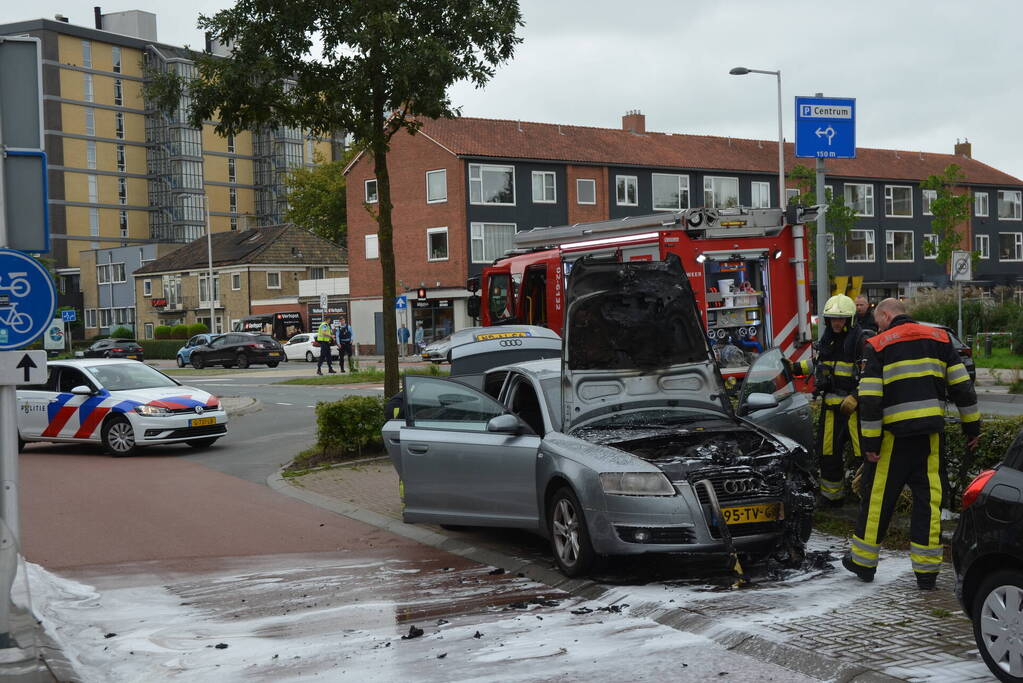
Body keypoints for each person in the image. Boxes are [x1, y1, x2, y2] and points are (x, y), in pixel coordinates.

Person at [843, 298, 980, 589]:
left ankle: (863, 563)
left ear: (885, 314)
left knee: (878, 498)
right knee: (929, 502)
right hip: (930, 436)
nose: (877, 325)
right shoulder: (940, 339)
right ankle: (927, 573)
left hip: (894, 438)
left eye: (878, 319)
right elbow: (962, 387)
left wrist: (870, 442)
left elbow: (870, 400)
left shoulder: (878, 345)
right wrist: (972, 428)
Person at [806, 294, 873, 506]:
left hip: (855, 411)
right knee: (828, 454)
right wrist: (791, 367)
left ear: (850, 319)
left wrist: (856, 396)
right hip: (831, 411)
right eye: (833, 318)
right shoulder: (827, 340)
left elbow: (872, 374)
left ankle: (870, 498)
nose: (836, 322)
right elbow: (818, 364)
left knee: (865, 454)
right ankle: (831, 497)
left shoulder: (861, 342)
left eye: (841, 319)